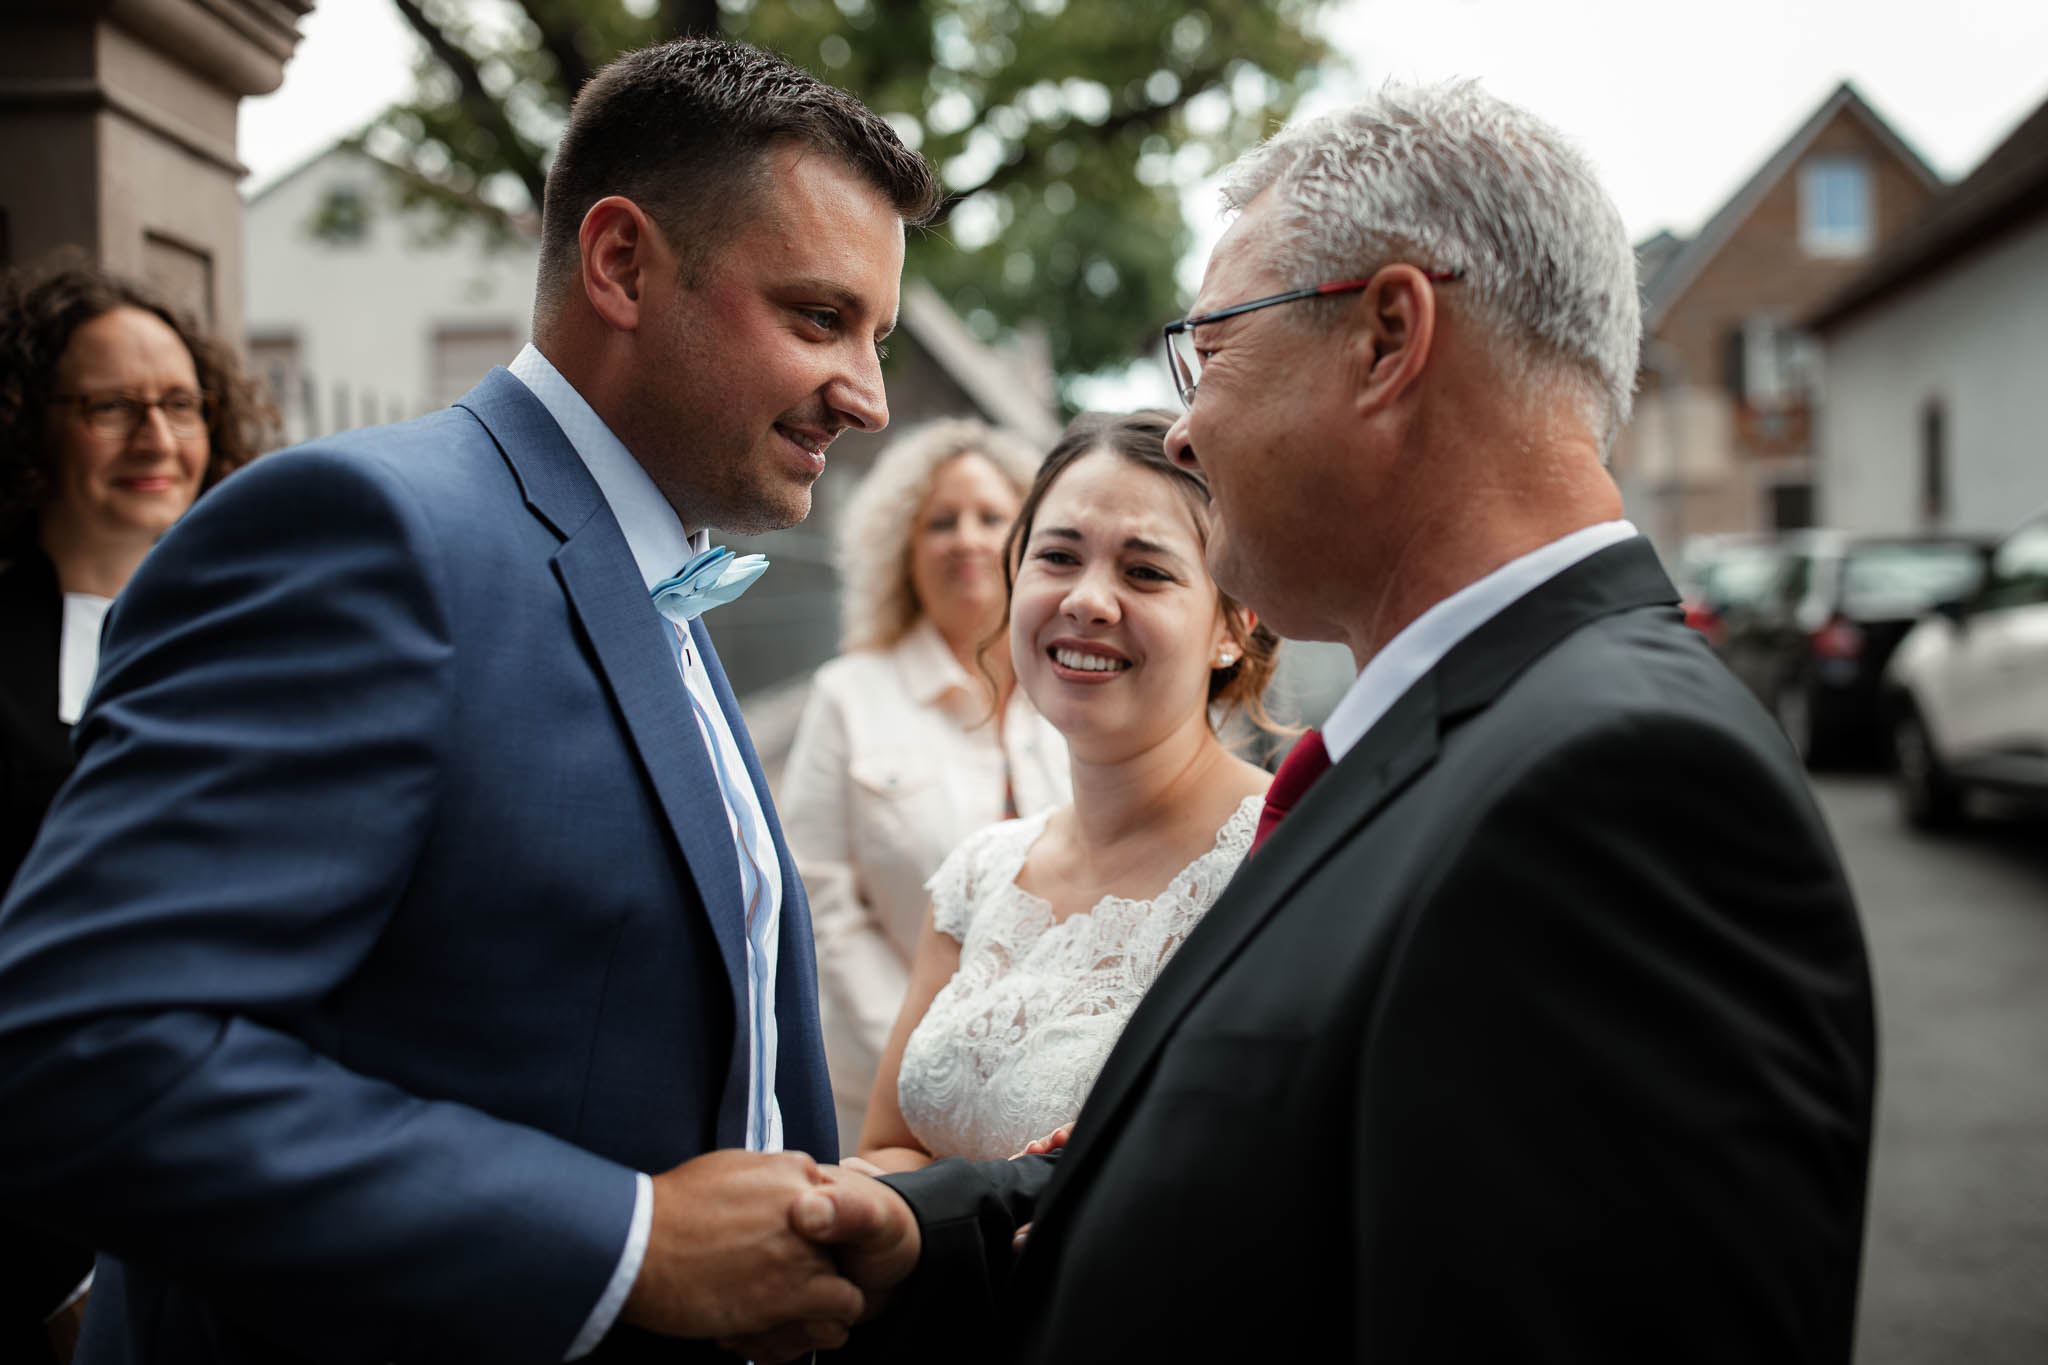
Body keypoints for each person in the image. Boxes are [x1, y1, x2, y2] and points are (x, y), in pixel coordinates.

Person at [738, 81, 1879, 1365]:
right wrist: (921, 1230)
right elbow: (1249, 1175)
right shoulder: (1452, 740)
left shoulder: (1623, 784)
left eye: (1210, 350)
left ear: (1387, 339)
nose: (1183, 421)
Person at [0, 37, 937, 1365]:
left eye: (877, 336)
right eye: (817, 317)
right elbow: (76, 1052)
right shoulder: (372, 536)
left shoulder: (645, 565)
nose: (870, 396)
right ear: (618, 262)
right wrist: (623, 1243)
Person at [854, 411, 1279, 1170]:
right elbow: (890, 1146)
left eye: (1144, 571)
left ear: (1234, 628)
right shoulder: (980, 872)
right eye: (1057, 556)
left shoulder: (1278, 858)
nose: (1087, 600)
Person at [0, 263, 272, 1364]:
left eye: (177, 402)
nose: (154, 434)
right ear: (31, 427)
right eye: (110, 406)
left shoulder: (268, 632)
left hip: (237, 1179)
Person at [782, 418, 1069, 1152]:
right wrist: (930, 1063)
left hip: (1058, 1107)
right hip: (892, 1108)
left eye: (991, 517)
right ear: (901, 550)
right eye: (940, 521)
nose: (967, 539)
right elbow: (821, 906)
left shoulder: (1079, 689)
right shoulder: (848, 696)